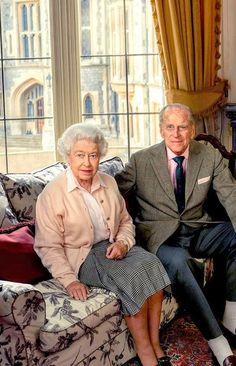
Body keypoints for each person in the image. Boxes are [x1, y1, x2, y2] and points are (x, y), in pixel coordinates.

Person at [34, 122, 173, 366]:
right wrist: (70, 280)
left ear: (100, 157)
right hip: (82, 258)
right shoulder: (52, 194)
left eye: (93, 155)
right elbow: (48, 246)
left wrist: (123, 242)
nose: (87, 163)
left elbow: (125, 222)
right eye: (80, 155)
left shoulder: (108, 182)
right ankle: (146, 353)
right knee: (131, 277)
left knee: (151, 263)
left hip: (111, 248)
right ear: (68, 156)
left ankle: (155, 343)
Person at [115, 103, 236, 366]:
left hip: (197, 229)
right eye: (170, 127)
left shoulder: (210, 156)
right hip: (160, 238)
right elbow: (112, 192)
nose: (176, 133)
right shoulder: (141, 160)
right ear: (161, 130)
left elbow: (231, 196)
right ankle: (219, 342)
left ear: (192, 129)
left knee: (234, 235)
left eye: (182, 126)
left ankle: (232, 314)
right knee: (180, 261)